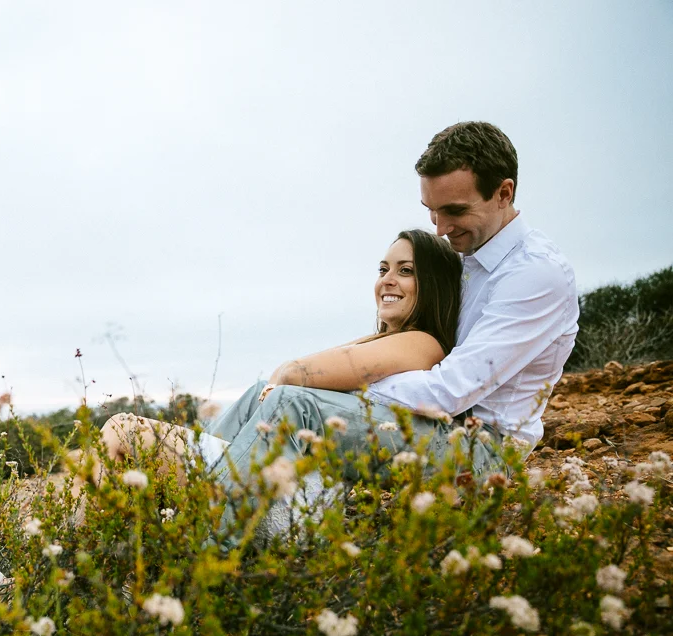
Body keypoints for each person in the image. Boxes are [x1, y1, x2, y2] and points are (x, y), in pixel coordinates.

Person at [99, 122, 578, 536]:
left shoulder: (534, 275)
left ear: (504, 193)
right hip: (433, 427)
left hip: (479, 449)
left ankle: (210, 548)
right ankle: (199, 488)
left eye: (453, 211)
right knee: (261, 393)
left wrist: (350, 381)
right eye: (430, 209)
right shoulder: (467, 255)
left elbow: (449, 390)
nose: (439, 227)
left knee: (293, 404)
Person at [98, 228, 465, 484]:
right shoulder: (383, 341)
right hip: (259, 468)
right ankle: (80, 550)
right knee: (124, 435)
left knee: (122, 429)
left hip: (277, 485)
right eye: (383, 269)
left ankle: (66, 559)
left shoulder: (422, 343)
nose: (387, 279)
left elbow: (296, 374)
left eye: (405, 271)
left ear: (432, 285)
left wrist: (284, 377)